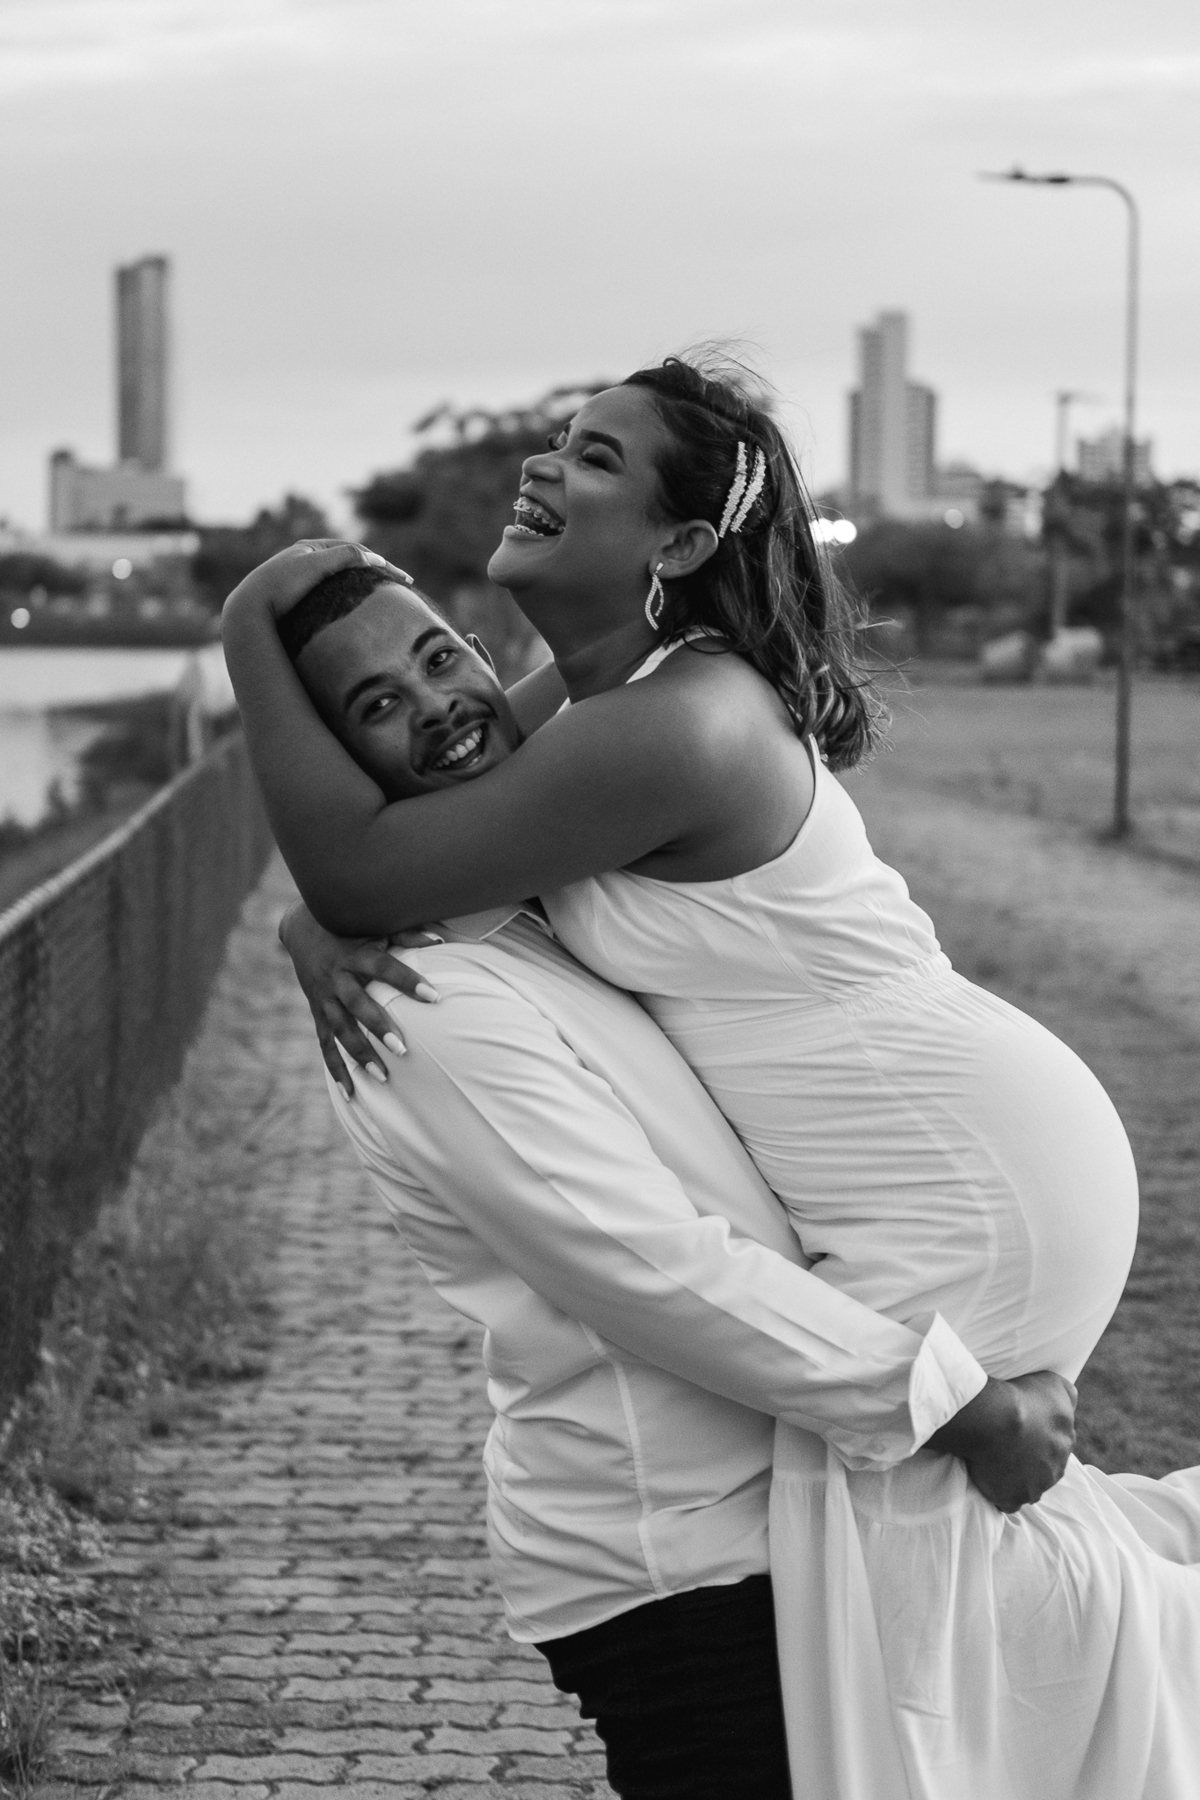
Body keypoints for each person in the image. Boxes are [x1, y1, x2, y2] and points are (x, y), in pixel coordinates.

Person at [222, 354, 1200, 1800]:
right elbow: (419, 821)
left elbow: (374, 861)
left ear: (680, 544)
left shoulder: (666, 724)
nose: (546, 467)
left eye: (595, 459)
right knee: (932, 1636)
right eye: (563, 440)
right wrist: (319, 918)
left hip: (966, 1177)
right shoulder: (596, 703)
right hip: (950, 1159)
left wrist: (252, 629)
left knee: (905, 1647)